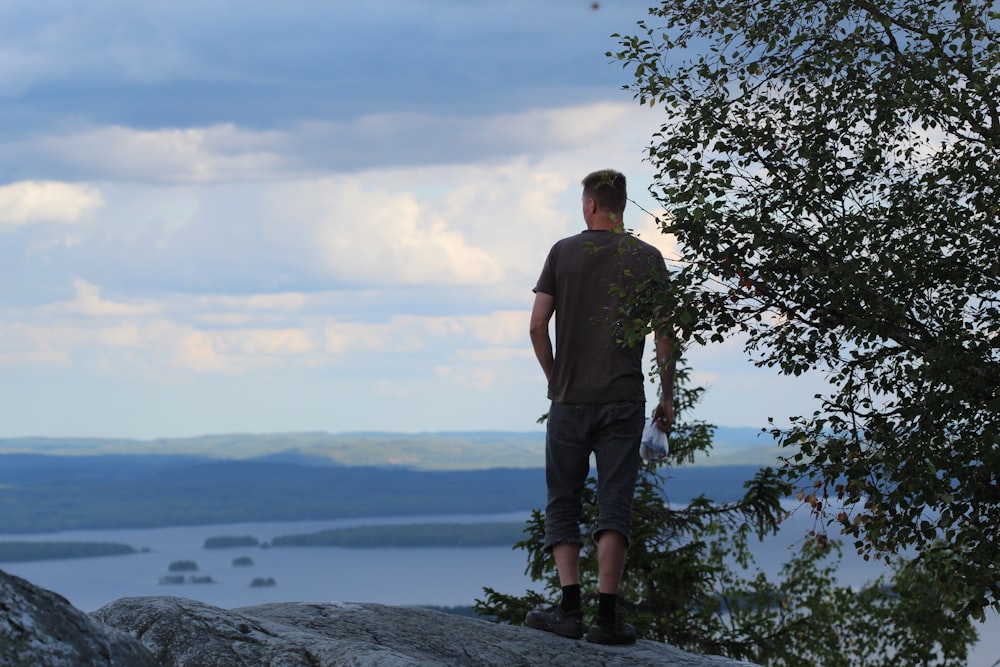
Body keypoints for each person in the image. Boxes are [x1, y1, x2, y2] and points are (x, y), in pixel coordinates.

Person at [525, 169, 675, 645]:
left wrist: (556, 380)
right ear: (622, 206)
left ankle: (569, 611)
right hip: (623, 398)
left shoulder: (562, 252)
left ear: (590, 205)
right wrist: (667, 397)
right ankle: (606, 620)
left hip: (569, 399)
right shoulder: (646, 257)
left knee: (563, 501)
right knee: (615, 505)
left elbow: (535, 327)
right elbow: (664, 332)